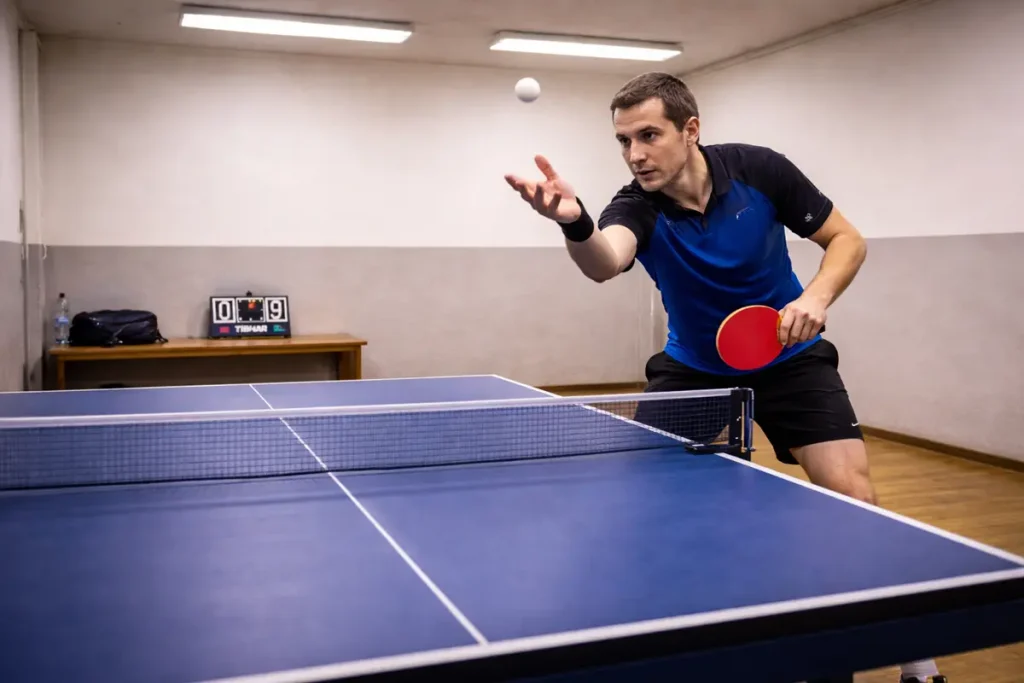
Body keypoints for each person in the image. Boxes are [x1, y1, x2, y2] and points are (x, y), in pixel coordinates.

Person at [504, 71, 945, 683]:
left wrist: (816, 297)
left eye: (648, 135)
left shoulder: (759, 171)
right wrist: (574, 221)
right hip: (695, 371)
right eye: (623, 141)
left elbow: (846, 239)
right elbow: (605, 261)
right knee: (652, 513)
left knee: (855, 500)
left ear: (690, 130)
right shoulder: (635, 205)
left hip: (789, 357)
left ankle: (917, 658)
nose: (635, 154)